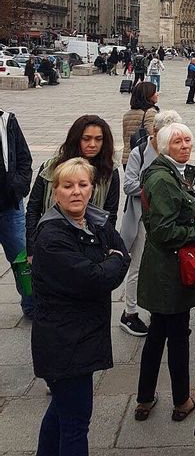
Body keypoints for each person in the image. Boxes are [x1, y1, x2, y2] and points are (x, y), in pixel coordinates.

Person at [31, 157, 130, 456]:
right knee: (76, 423)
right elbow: (96, 278)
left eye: (82, 185)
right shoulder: (52, 237)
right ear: (55, 192)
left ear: (92, 189)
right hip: (64, 342)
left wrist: (114, 259)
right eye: (67, 186)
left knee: (61, 411)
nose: (76, 191)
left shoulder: (93, 220)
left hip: (81, 335)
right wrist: (112, 259)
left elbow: (121, 251)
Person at [134, 123, 195, 423]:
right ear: (165, 146)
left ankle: (144, 398)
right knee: (178, 334)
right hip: (170, 271)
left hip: (162, 269)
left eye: (188, 140)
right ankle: (181, 399)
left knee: (158, 333)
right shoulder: (164, 180)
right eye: (177, 141)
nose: (184, 145)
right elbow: (164, 231)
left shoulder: (166, 173)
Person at [120, 110, 182, 337]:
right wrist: (156, 190)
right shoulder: (140, 151)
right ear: (155, 131)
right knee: (137, 264)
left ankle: (159, 309)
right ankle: (130, 312)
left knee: (163, 264)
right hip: (142, 217)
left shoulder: (173, 150)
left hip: (166, 218)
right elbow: (128, 185)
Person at [26, 116, 120, 258]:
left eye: (98, 139)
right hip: (53, 241)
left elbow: (110, 213)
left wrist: (106, 245)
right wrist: (32, 248)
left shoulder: (109, 172)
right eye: (86, 139)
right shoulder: (50, 168)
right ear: (76, 139)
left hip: (91, 243)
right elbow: (33, 208)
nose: (93, 144)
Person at [0, 108, 34, 317]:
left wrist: (18, 186)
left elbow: (24, 158)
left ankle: (31, 305)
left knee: (22, 259)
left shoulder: (7, 120)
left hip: (9, 206)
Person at [121, 82, 159, 168]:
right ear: (148, 95)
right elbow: (153, 136)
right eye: (155, 92)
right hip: (142, 158)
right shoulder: (150, 113)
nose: (157, 94)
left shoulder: (127, 114)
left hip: (127, 158)